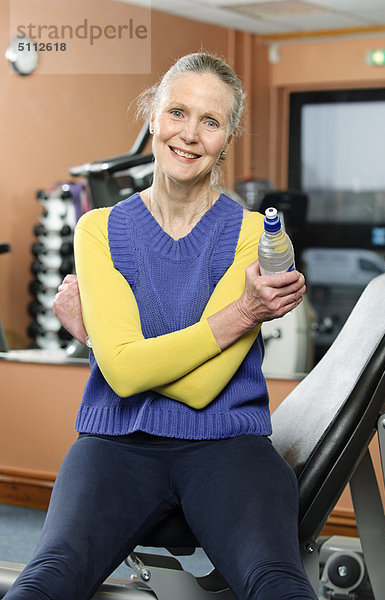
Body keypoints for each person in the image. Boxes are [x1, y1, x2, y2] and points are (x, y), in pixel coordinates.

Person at [6, 52, 316, 600]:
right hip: (116, 444)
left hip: (229, 444)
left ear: (228, 136)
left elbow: (199, 388)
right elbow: (123, 376)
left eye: (211, 121)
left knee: (276, 583)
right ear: (153, 115)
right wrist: (239, 314)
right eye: (177, 112)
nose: (189, 135)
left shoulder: (252, 235)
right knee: (48, 577)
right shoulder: (97, 229)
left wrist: (97, 337)